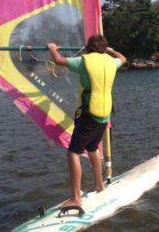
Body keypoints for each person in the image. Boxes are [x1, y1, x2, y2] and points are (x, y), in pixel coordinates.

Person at [47, 35, 126, 208]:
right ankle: (99, 184)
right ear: (104, 49)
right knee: (92, 148)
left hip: (89, 115)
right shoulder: (111, 62)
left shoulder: (83, 61)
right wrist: (110, 51)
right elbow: (123, 58)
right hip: (105, 115)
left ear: (89, 48)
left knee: (73, 152)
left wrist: (52, 48)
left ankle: (76, 198)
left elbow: (59, 61)